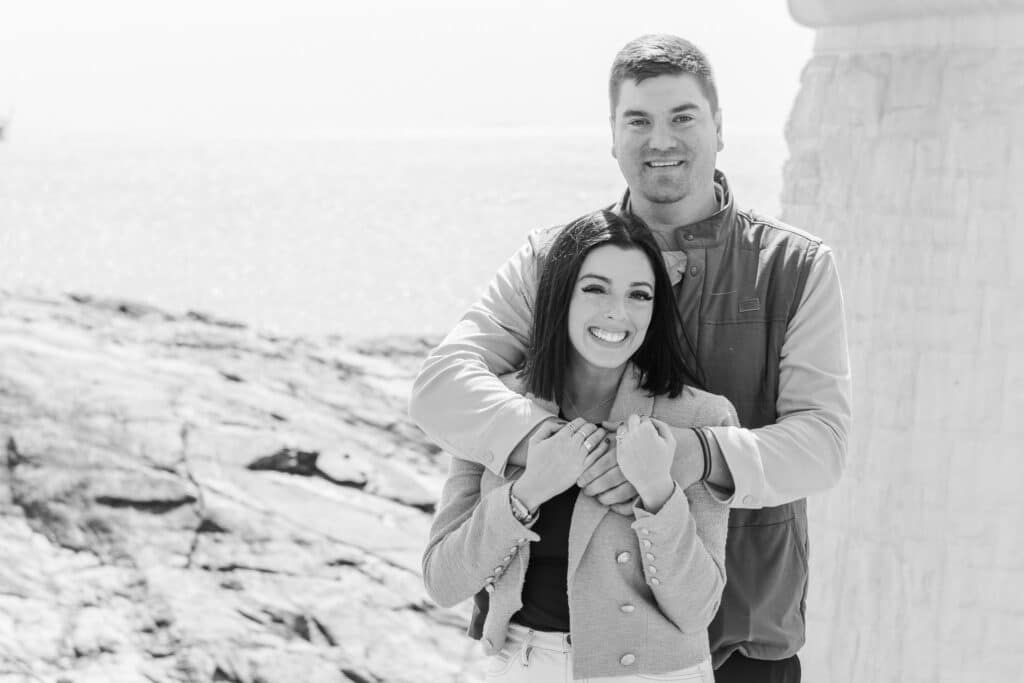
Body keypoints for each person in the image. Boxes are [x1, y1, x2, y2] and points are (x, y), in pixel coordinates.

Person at [411, 34, 851, 683]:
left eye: (683, 116)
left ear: (720, 128)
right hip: (558, 648)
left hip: (746, 629)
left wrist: (695, 453)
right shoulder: (552, 258)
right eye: (638, 120)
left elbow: (823, 442)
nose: (661, 139)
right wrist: (548, 445)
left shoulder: (795, 266)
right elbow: (443, 383)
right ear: (613, 138)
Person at [422, 211, 737, 681]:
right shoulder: (495, 409)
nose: (618, 312)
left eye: (639, 295)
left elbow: (698, 609)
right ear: (559, 296)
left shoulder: (699, 418)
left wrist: (656, 491)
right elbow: (443, 581)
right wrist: (527, 492)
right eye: (595, 288)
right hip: (521, 666)